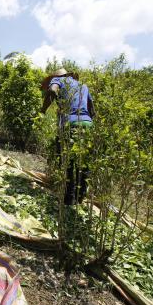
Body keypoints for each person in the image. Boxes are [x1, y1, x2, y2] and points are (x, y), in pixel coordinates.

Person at [40, 68, 95, 205]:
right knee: (84, 164)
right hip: (88, 124)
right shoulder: (83, 86)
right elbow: (92, 109)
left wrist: (43, 110)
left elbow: (52, 90)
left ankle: (68, 201)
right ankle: (80, 198)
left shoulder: (58, 80)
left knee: (66, 161)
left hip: (69, 124)